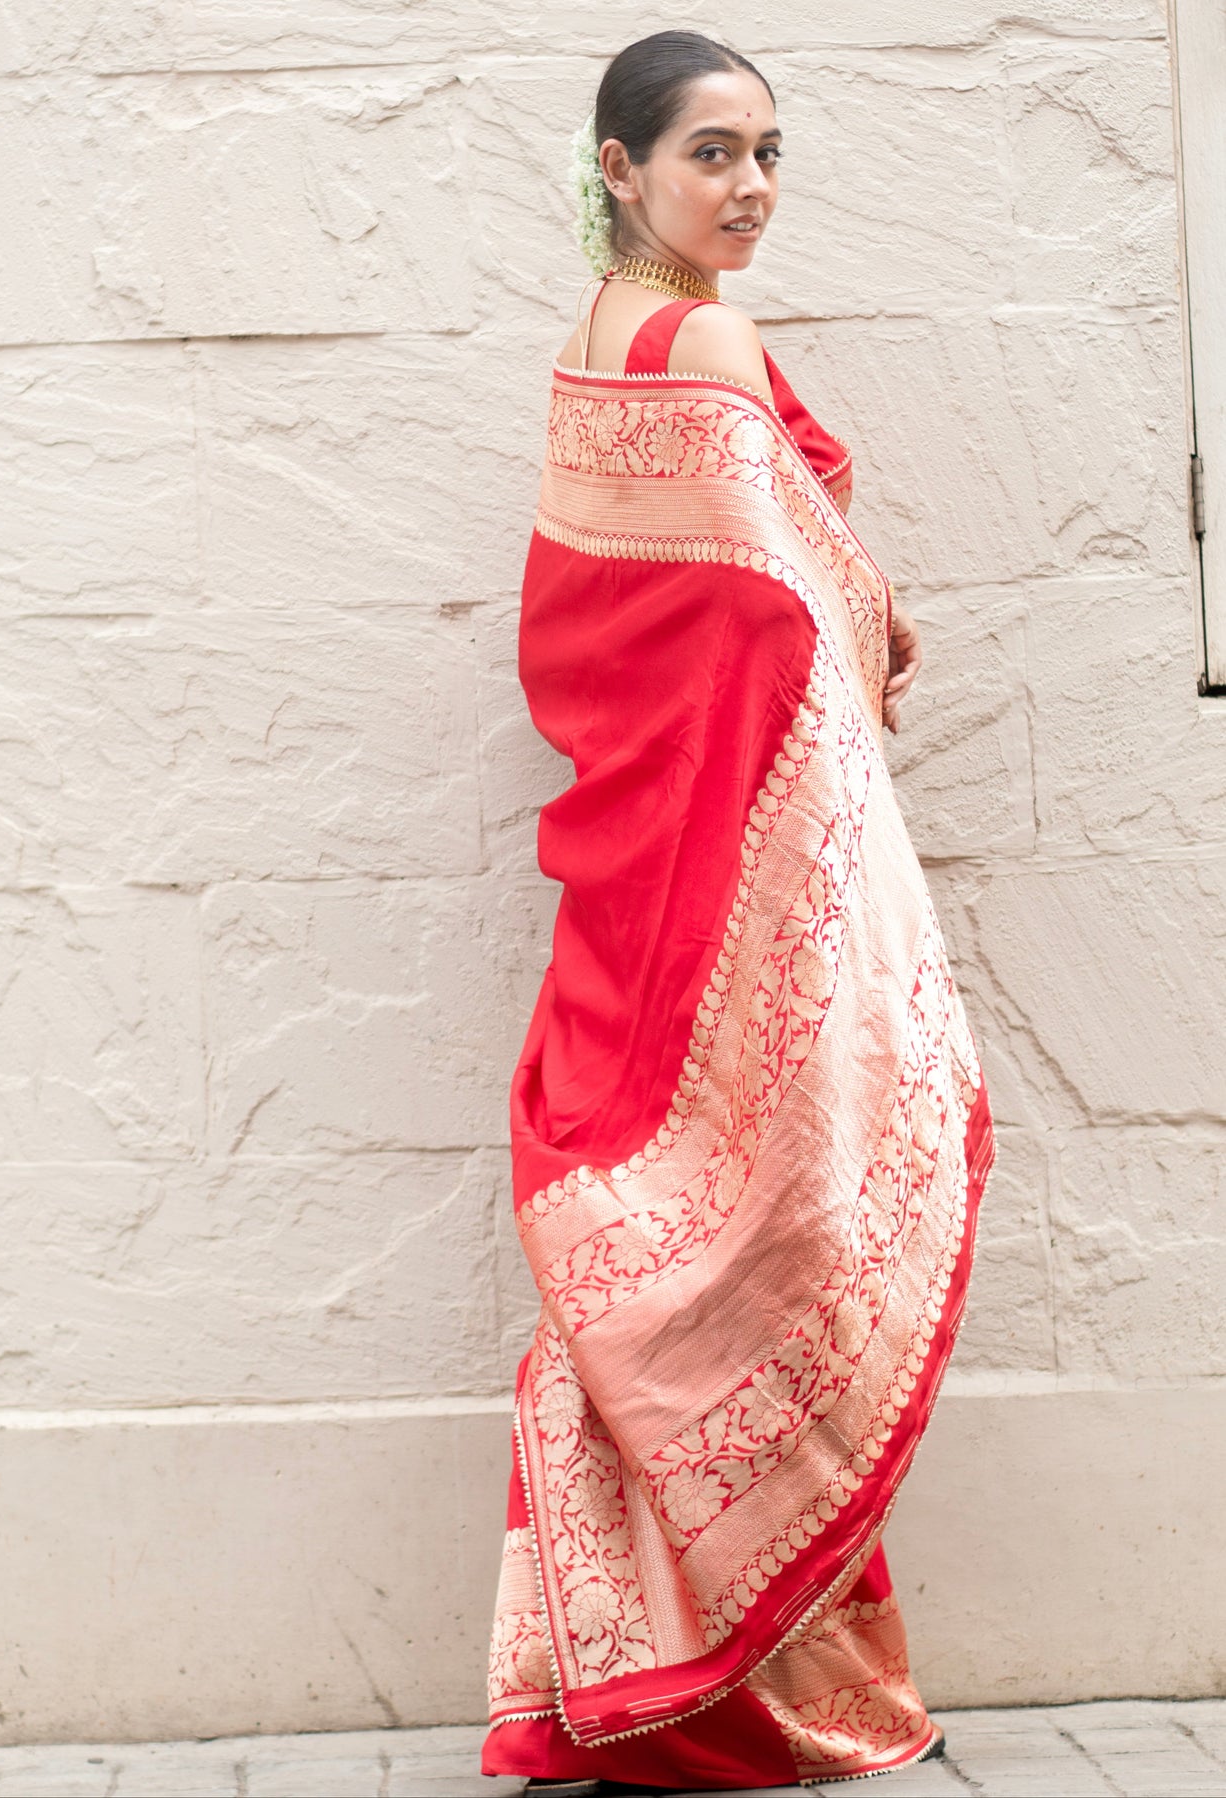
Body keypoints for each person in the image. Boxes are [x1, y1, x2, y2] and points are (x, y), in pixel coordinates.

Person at [481, 31, 994, 1795]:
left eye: (769, 151)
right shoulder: (699, 345)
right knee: (775, 1245)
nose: (750, 186)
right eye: (710, 152)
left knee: (647, 1262)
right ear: (618, 169)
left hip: (642, 873)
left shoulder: (593, 343)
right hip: (721, 878)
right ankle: (770, 1695)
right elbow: (786, 614)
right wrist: (875, 609)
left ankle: (602, 1684)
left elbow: (635, 625)